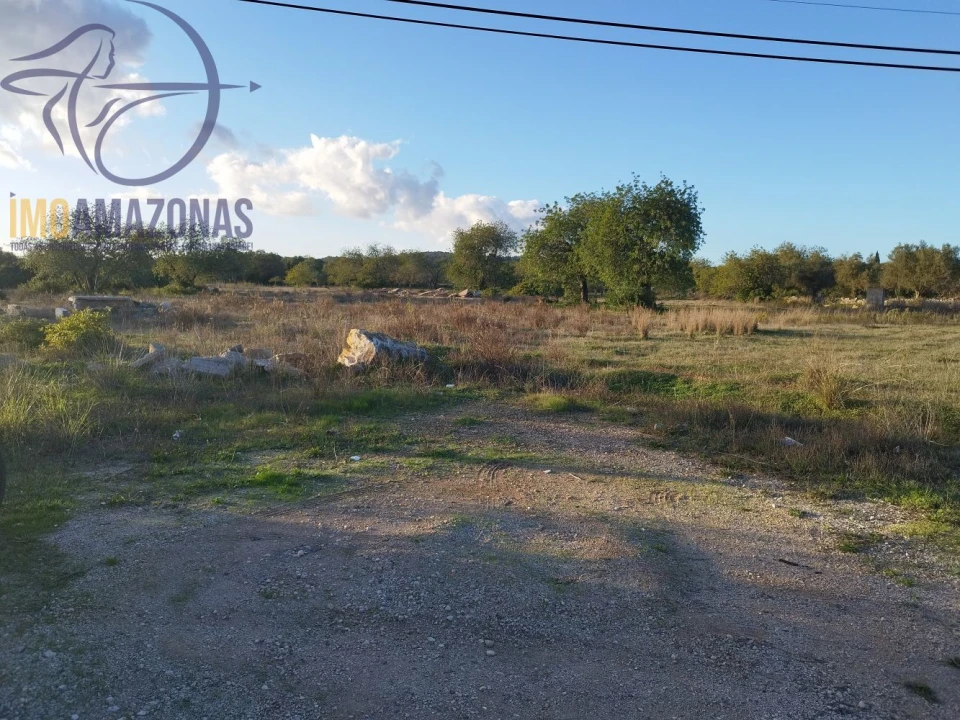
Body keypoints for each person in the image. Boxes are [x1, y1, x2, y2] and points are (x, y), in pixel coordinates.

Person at [1, 23, 118, 173]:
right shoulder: (48, 93)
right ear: (94, 53)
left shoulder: (86, 99)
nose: (113, 62)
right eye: (110, 55)